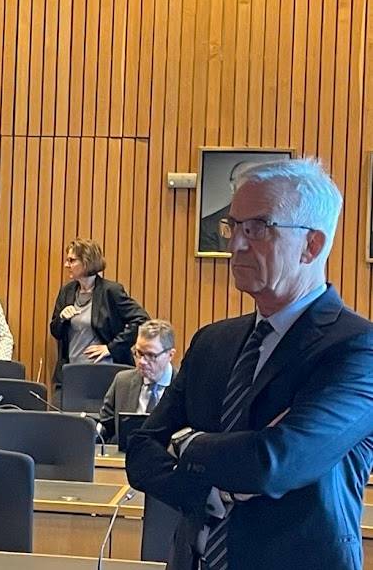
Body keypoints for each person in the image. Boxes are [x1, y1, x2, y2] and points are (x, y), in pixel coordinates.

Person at [126, 158, 373, 570]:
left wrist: (186, 443)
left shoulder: (357, 349)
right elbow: (141, 450)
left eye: (258, 227)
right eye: (233, 225)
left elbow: (275, 462)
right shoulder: (212, 341)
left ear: (311, 245)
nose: (236, 244)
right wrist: (207, 490)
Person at [48, 238, 149, 386]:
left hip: (104, 373)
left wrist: (111, 348)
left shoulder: (111, 291)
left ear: (86, 262)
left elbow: (142, 320)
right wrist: (62, 318)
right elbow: (56, 332)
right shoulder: (67, 291)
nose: (66, 265)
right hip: (71, 373)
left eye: (72, 260)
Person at [97, 319, 177, 441]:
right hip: (126, 451)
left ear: (170, 355)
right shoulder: (122, 382)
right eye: (139, 353)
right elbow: (105, 426)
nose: (142, 361)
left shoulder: (185, 388)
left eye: (151, 355)